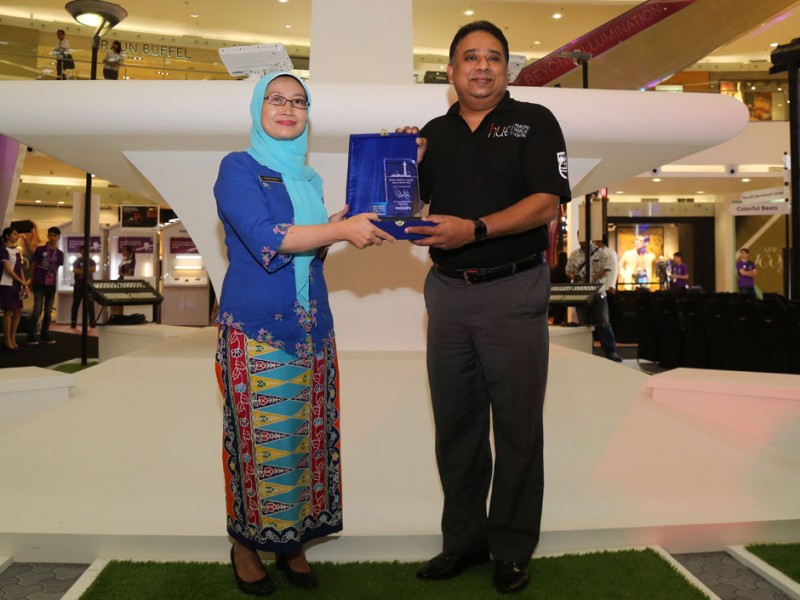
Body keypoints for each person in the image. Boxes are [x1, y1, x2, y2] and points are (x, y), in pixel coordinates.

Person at [399, 21, 571, 595]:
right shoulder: (433, 134)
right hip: (447, 293)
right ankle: (464, 542)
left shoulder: (536, 122)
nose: (482, 66)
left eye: (493, 57)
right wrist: (399, 160)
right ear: (450, 71)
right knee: (456, 427)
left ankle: (512, 547)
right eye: (470, 57)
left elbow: (546, 204)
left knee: (517, 428)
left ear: (507, 69)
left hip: (513, 289)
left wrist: (473, 229)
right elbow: (410, 207)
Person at [213, 71, 393, 596]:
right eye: (276, 99)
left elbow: (309, 246)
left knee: (304, 443)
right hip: (258, 330)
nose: (288, 109)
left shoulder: (308, 179)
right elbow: (265, 236)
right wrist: (340, 229)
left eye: (299, 101)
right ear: (258, 108)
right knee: (259, 444)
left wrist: (345, 220)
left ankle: (290, 543)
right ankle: (246, 545)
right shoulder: (239, 167)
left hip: (312, 327)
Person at [566, 240, 623, 362]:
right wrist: (575, 277)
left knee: (604, 323)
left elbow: (608, 269)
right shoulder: (575, 254)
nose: (582, 242)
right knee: (584, 325)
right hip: (581, 294)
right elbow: (568, 270)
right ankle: (588, 351)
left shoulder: (601, 252)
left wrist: (593, 277)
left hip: (598, 292)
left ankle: (611, 351)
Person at [26, 226, 64, 345]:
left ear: (58, 237)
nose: (52, 237)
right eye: (50, 235)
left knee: (48, 312)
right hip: (39, 283)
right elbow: (33, 265)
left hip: (51, 285)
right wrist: (31, 280)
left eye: (54, 235)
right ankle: (31, 336)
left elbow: (57, 268)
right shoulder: (40, 249)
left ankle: (44, 335)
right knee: (37, 310)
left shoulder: (60, 253)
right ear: (48, 236)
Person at [1, 228, 29, 351]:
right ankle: (7, 339)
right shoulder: (3, 250)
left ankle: (13, 338)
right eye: (14, 234)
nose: (17, 236)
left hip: (17, 284)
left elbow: (19, 268)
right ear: (7, 236)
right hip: (6, 283)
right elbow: (8, 269)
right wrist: (21, 281)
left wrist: (24, 283)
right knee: (9, 312)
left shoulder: (17, 250)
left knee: (19, 310)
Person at [71, 245, 97, 328]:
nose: (85, 251)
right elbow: (75, 270)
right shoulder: (77, 261)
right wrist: (87, 271)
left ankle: (92, 322)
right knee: (75, 304)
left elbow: (93, 269)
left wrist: (81, 271)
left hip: (89, 287)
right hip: (78, 286)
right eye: (83, 250)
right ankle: (73, 322)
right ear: (80, 251)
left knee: (90, 305)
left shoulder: (91, 261)